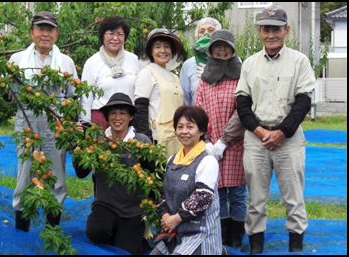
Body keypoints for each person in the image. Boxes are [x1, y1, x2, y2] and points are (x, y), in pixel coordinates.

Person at [234, 4, 316, 254]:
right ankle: (256, 246)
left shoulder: (299, 61)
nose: (271, 34)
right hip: (256, 140)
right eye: (265, 29)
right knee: (256, 198)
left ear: (286, 30)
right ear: (259, 31)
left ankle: (295, 247)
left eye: (276, 29)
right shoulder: (249, 63)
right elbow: (242, 103)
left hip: (288, 140)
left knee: (293, 197)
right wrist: (260, 132)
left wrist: (282, 132)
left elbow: (304, 101)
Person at [6, 11, 79, 232]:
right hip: (26, 123)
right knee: (25, 173)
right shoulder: (18, 60)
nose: (45, 34)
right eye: (40, 28)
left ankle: (52, 228)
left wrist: (70, 131)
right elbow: (8, 97)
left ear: (57, 33)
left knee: (56, 174)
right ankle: (22, 226)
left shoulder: (65, 62)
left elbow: (72, 98)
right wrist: (4, 81)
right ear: (32, 32)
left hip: (54, 127)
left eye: (50, 29)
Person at [73, 93, 155, 255]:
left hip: (133, 210)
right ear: (107, 117)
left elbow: (152, 175)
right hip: (105, 205)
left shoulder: (141, 141)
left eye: (122, 113)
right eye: (113, 113)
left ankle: (137, 240)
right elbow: (81, 173)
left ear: (131, 117)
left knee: (127, 250)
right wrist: (80, 144)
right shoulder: (98, 140)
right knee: (96, 232)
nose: (117, 117)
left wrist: (148, 207)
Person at [195, 29, 247, 251]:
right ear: (211, 51)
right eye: (218, 47)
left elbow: (244, 109)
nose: (222, 50)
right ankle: (222, 236)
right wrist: (206, 140)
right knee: (218, 191)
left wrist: (224, 140)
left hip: (235, 144)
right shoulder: (205, 80)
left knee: (236, 193)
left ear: (233, 50)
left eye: (226, 46)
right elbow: (199, 111)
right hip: (211, 146)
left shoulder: (242, 76)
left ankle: (237, 238)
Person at [151, 106, 222, 255]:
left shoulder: (208, 161)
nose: (184, 131)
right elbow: (161, 192)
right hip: (175, 232)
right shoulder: (172, 160)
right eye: (180, 127)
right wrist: (165, 216)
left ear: (201, 131)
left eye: (190, 127)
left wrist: (176, 218)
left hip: (200, 234)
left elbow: (202, 197)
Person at [80, 16, 141, 131]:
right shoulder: (92, 62)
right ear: (103, 35)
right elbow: (86, 98)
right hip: (100, 120)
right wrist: (85, 124)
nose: (115, 38)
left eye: (119, 34)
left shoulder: (133, 60)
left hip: (128, 120)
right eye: (110, 33)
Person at [134, 28, 186, 159]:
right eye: (157, 47)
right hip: (156, 138)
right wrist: (145, 139)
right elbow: (140, 108)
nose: (163, 51)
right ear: (150, 51)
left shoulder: (175, 77)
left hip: (176, 136)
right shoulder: (147, 73)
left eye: (167, 47)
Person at [180, 17, 221, 105]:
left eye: (211, 30)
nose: (206, 34)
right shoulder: (188, 65)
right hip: (196, 116)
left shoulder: (231, 61)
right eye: (202, 31)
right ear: (197, 37)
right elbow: (185, 100)